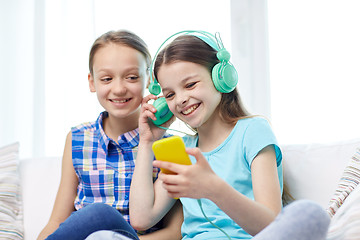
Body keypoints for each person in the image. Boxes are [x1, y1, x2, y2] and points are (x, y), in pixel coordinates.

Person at [85, 31, 330, 240]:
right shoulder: (180, 149)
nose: (180, 99)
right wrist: (147, 141)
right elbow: (141, 218)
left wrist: (213, 188)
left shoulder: (253, 131)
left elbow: (271, 225)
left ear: (221, 78)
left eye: (190, 85)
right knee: (100, 236)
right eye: (169, 95)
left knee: (309, 213)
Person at [37, 30, 182, 240]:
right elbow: (57, 222)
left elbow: (176, 232)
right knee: (95, 217)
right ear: (92, 82)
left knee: (100, 213)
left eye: (132, 77)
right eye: (106, 79)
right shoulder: (77, 138)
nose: (119, 89)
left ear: (150, 78)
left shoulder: (170, 147)